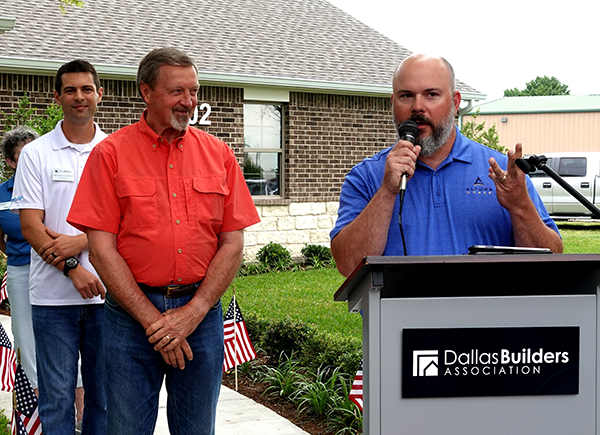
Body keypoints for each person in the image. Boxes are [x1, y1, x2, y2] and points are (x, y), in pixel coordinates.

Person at [67, 47, 260, 435]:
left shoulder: (219, 154)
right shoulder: (109, 155)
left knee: (196, 428)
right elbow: (101, 249)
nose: (189, 101)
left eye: (194, 91)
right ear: (146, 92)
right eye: (177, 91)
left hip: (201, 314)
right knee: (126, 428)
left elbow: (232, 243)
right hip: (129, 318)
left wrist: (194, 312)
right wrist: (155, 322)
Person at [330, 54, 563, 277]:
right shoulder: (366, 176)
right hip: (397, 307)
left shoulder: (502, 172)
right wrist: (387, 191)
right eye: (406, 96)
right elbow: (348, 265)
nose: (417, 107)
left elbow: (551, 263)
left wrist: (521, 206)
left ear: (455, 102)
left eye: (431, 95)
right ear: (393, 103)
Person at [11, 59, 107, 435]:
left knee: (103, 398)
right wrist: (73, 268)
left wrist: (81, 240)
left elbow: (129, 221)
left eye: (86, 89)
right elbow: (30, 226)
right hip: (51, 301)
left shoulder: (115, 150)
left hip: (107, 296)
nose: (79, 97)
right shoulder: (36, 153)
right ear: (57, 97)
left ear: (100, 94)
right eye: (70, 90)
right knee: (56, 398)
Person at [0, 126, 39, 392]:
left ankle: (79, 401)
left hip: (58, 267)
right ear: (11, 162)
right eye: (24, 156)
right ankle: (37, 394)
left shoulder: (52, 185)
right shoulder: (2, 193)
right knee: (24, 333)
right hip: (20, 269)